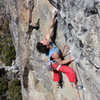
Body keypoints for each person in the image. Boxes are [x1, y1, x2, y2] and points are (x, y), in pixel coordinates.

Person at [36, 9, 78, 88]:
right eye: (44, 42)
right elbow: (61, 62)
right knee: (69, 71)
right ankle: (73, 83)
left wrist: (53, 16)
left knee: (55, 72)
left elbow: (51, 28)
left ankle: (57, 82)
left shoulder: (48, 40)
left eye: (43, 40)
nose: (44, 40)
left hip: (53, 61)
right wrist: (71, 59)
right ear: (47, 46)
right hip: (56, 63)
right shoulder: (54, 54)